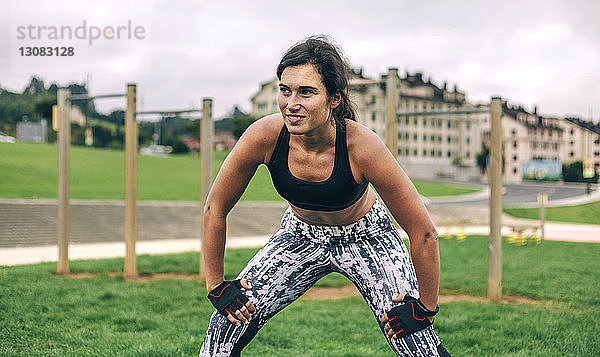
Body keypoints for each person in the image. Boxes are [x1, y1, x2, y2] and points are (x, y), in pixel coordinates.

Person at [200, 35, 451, 356]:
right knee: (224, 328)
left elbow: (424, 232)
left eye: (306, 92)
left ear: (334, 98)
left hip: (368, 238)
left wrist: (426, 308)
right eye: (284, 90)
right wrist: (216, 284)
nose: (291, 103)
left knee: (414, 340)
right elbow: (215, 207)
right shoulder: (263, 135)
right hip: (298, 236)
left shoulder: (362, 146)